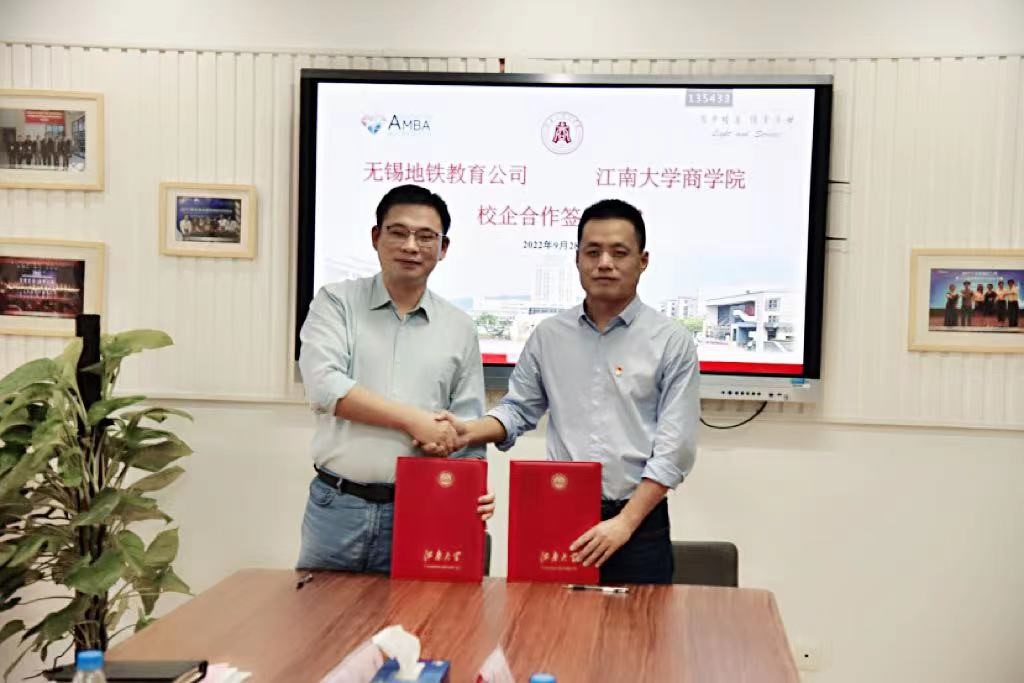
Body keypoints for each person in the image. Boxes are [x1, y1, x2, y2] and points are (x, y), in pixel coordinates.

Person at [425, 199, 700, 584]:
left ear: (643, 261)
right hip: (562, 512)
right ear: (577, 259)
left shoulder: (671, 341)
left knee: (640, 624)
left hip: (638, 525)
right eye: (593, 252)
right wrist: (467, 432)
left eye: (619, 252)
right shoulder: (550, 336)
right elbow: (518, 409)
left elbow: (675, 449)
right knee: (553, 620)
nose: (604, 263)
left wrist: (625, 523)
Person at [296, 184, 494, 573]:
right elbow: (325, 387)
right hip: (338, 507)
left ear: (443, 248)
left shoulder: (459, 327)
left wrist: (472, 489)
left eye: (426, 237)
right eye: (398, 232)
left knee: (421, 613)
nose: (411, 246)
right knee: (322, 612)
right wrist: (414, 421)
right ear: (376, 237)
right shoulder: (336, 302)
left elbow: (467, 427)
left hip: (425, 508)